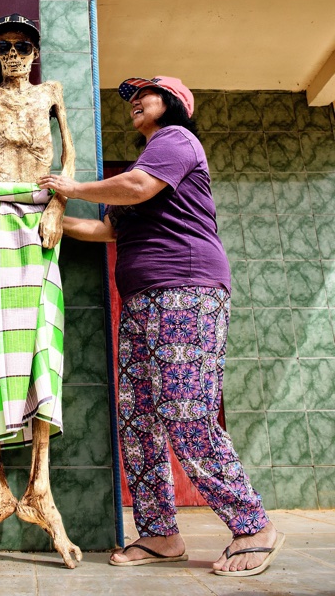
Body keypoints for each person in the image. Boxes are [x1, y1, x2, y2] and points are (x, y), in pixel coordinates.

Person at [38, 75, 284, 578]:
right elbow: (106, 228)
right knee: (139, 419)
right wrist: (43, 217)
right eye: (130, 97)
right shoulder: (142, 164)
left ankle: (252, 524)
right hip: (141, 302)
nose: (134, 102)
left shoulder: (177, 142)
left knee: (185, 408)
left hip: (187, 292)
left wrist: (73, 186)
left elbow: (137, 188)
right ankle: (159, 534)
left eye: (144, 94)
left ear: (173, 103)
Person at [0, 13, 81, 569]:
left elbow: (69, 155)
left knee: (39, 344)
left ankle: (40, 485)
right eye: (3, 45)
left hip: (38, 219)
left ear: (34, 53)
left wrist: (58, 204)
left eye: (22, 45)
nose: (11, 53)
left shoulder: (50, 94)